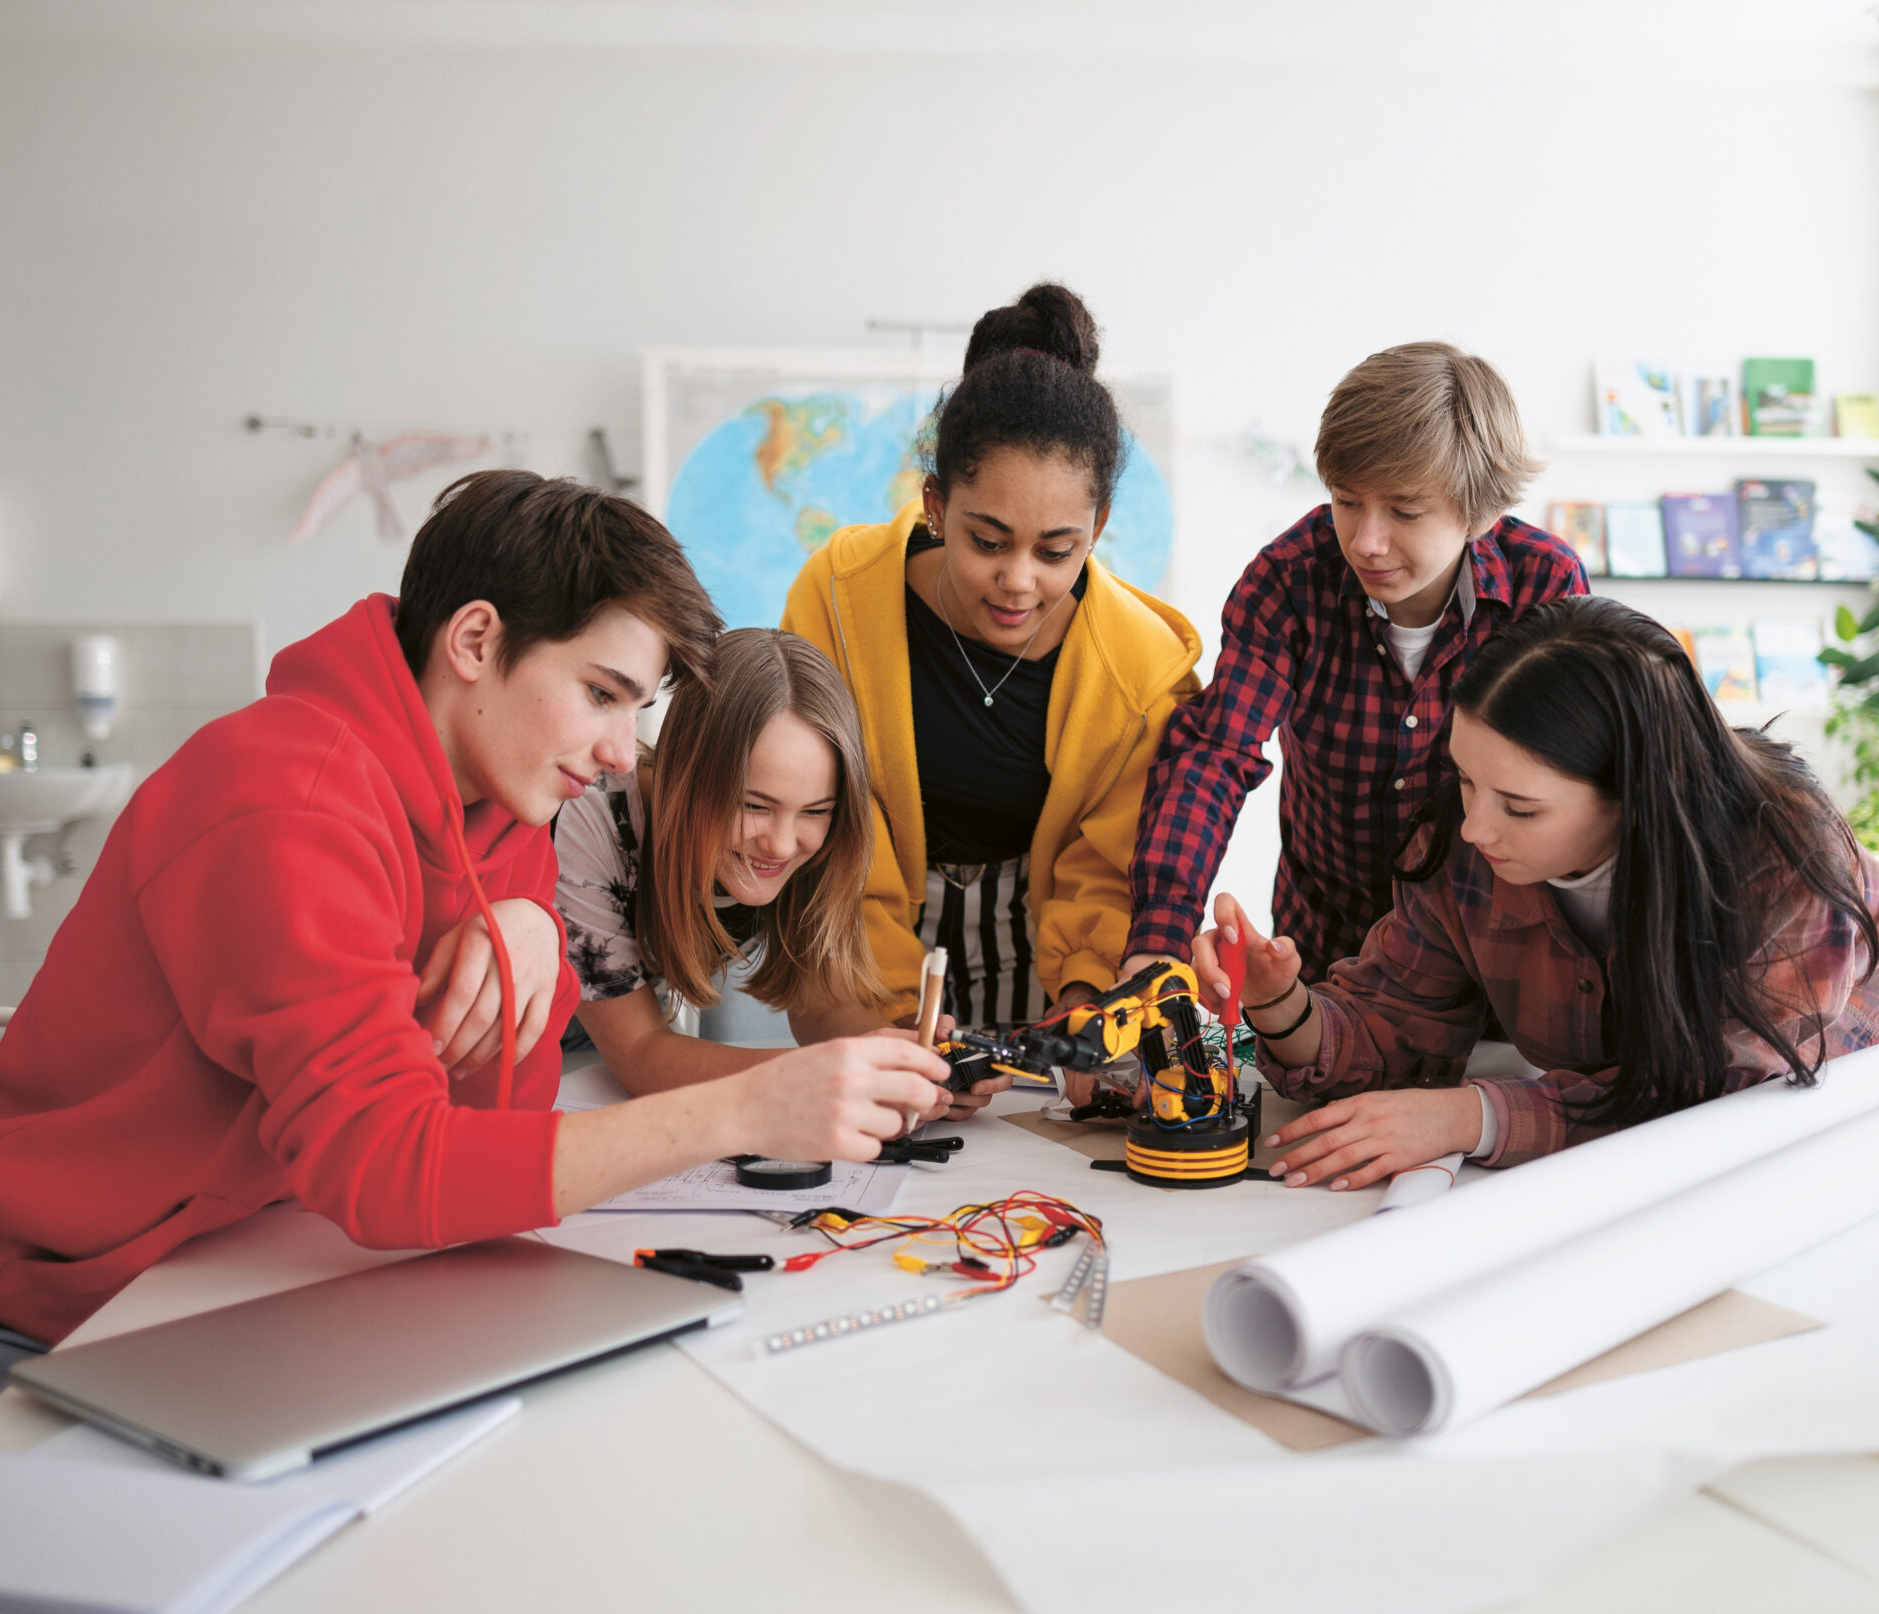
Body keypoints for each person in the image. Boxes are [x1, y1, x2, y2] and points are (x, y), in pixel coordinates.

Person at [0, 472, 947, 1542]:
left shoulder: (503, 809)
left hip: (181, 1301)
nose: (611, 751)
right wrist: (740, 1112)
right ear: (477, 641)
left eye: (631, 709)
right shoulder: (284, 797)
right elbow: (388, 1169)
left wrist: (531, 926)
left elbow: (507, 1110)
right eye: (601, 694)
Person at [1194, 595, 1879, 1192]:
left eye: (1520, 807)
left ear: (1637, 796)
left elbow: (1726, 1110)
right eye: (1463, 780)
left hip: (1862, 1170)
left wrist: (1476, 1115)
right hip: (1636, 1194)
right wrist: (1279, 1004)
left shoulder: (1782, 856)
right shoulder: (1464, 843)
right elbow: (1394, 1026)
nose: (1476, 828)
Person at [782, 283, 1201, 1114]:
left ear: (1101, 525)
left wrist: (1082, 1009)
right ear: (936, 505)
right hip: (860, 947)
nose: (1019, 583)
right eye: (986, 541)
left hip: (1041, 965)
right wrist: (896, 1017)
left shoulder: (1142, 669)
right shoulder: (837, 598)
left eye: (1057, 551)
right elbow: (828, 834)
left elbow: (1104, 873)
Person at [1122, 341, 1588, 993]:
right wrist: (1159, 939)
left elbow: (1576, 787)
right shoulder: (1288, 582)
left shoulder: (1546, 583)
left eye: (1404, 510)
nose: (1366, 541)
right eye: (1346, 501)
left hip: (1496, 967)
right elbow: (1215, 754)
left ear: (1481, 511)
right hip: (1326, 963)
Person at [557, 626, 891, 1092]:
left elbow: (820, 1005)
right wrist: (827, 1073)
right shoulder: (590, 817)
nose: (780, 844)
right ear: (686, 773)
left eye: (815, 811)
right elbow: (639, 1052)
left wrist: (896, 1053)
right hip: (530, 1056)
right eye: (753, 805)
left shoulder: (817, 848)